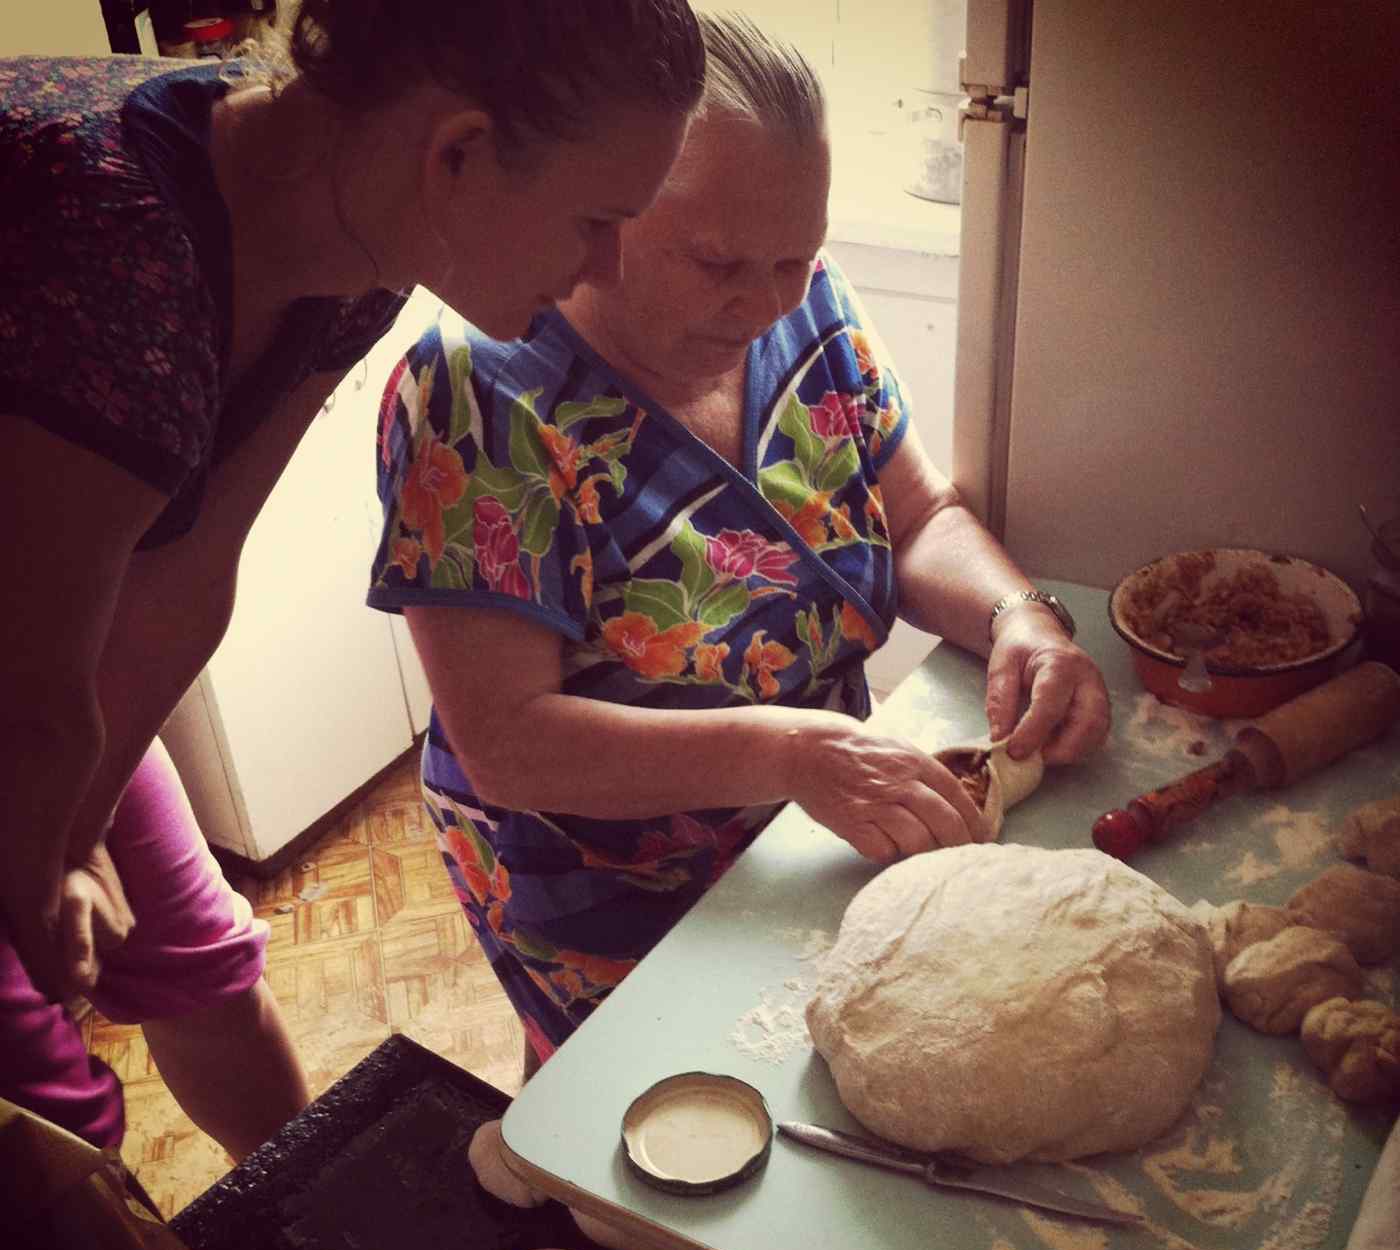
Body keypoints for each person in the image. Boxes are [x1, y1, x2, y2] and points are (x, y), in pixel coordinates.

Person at [0, 0, 705, 1154]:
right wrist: (42, 868)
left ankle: (284, 1241)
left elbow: (183, 573)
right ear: (458, 152)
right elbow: (27, 703)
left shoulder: (348, 233)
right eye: (595, 218)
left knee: (189, 953)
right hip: (13, 666)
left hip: (28, 654)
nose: (609, 265)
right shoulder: (117, 245)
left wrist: (78, 835)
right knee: (52, 1117)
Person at [367, 12, 1111, 1070]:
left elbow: (919, 516)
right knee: (633, 1120)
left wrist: (1015, 615)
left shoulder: (807, 307)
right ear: (601, 211)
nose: (764, 302)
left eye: (792, 257)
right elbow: (507, 740)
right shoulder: (479, 392)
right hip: (602, 883)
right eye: (716, 260)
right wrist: (792, 748)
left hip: (811, 826)